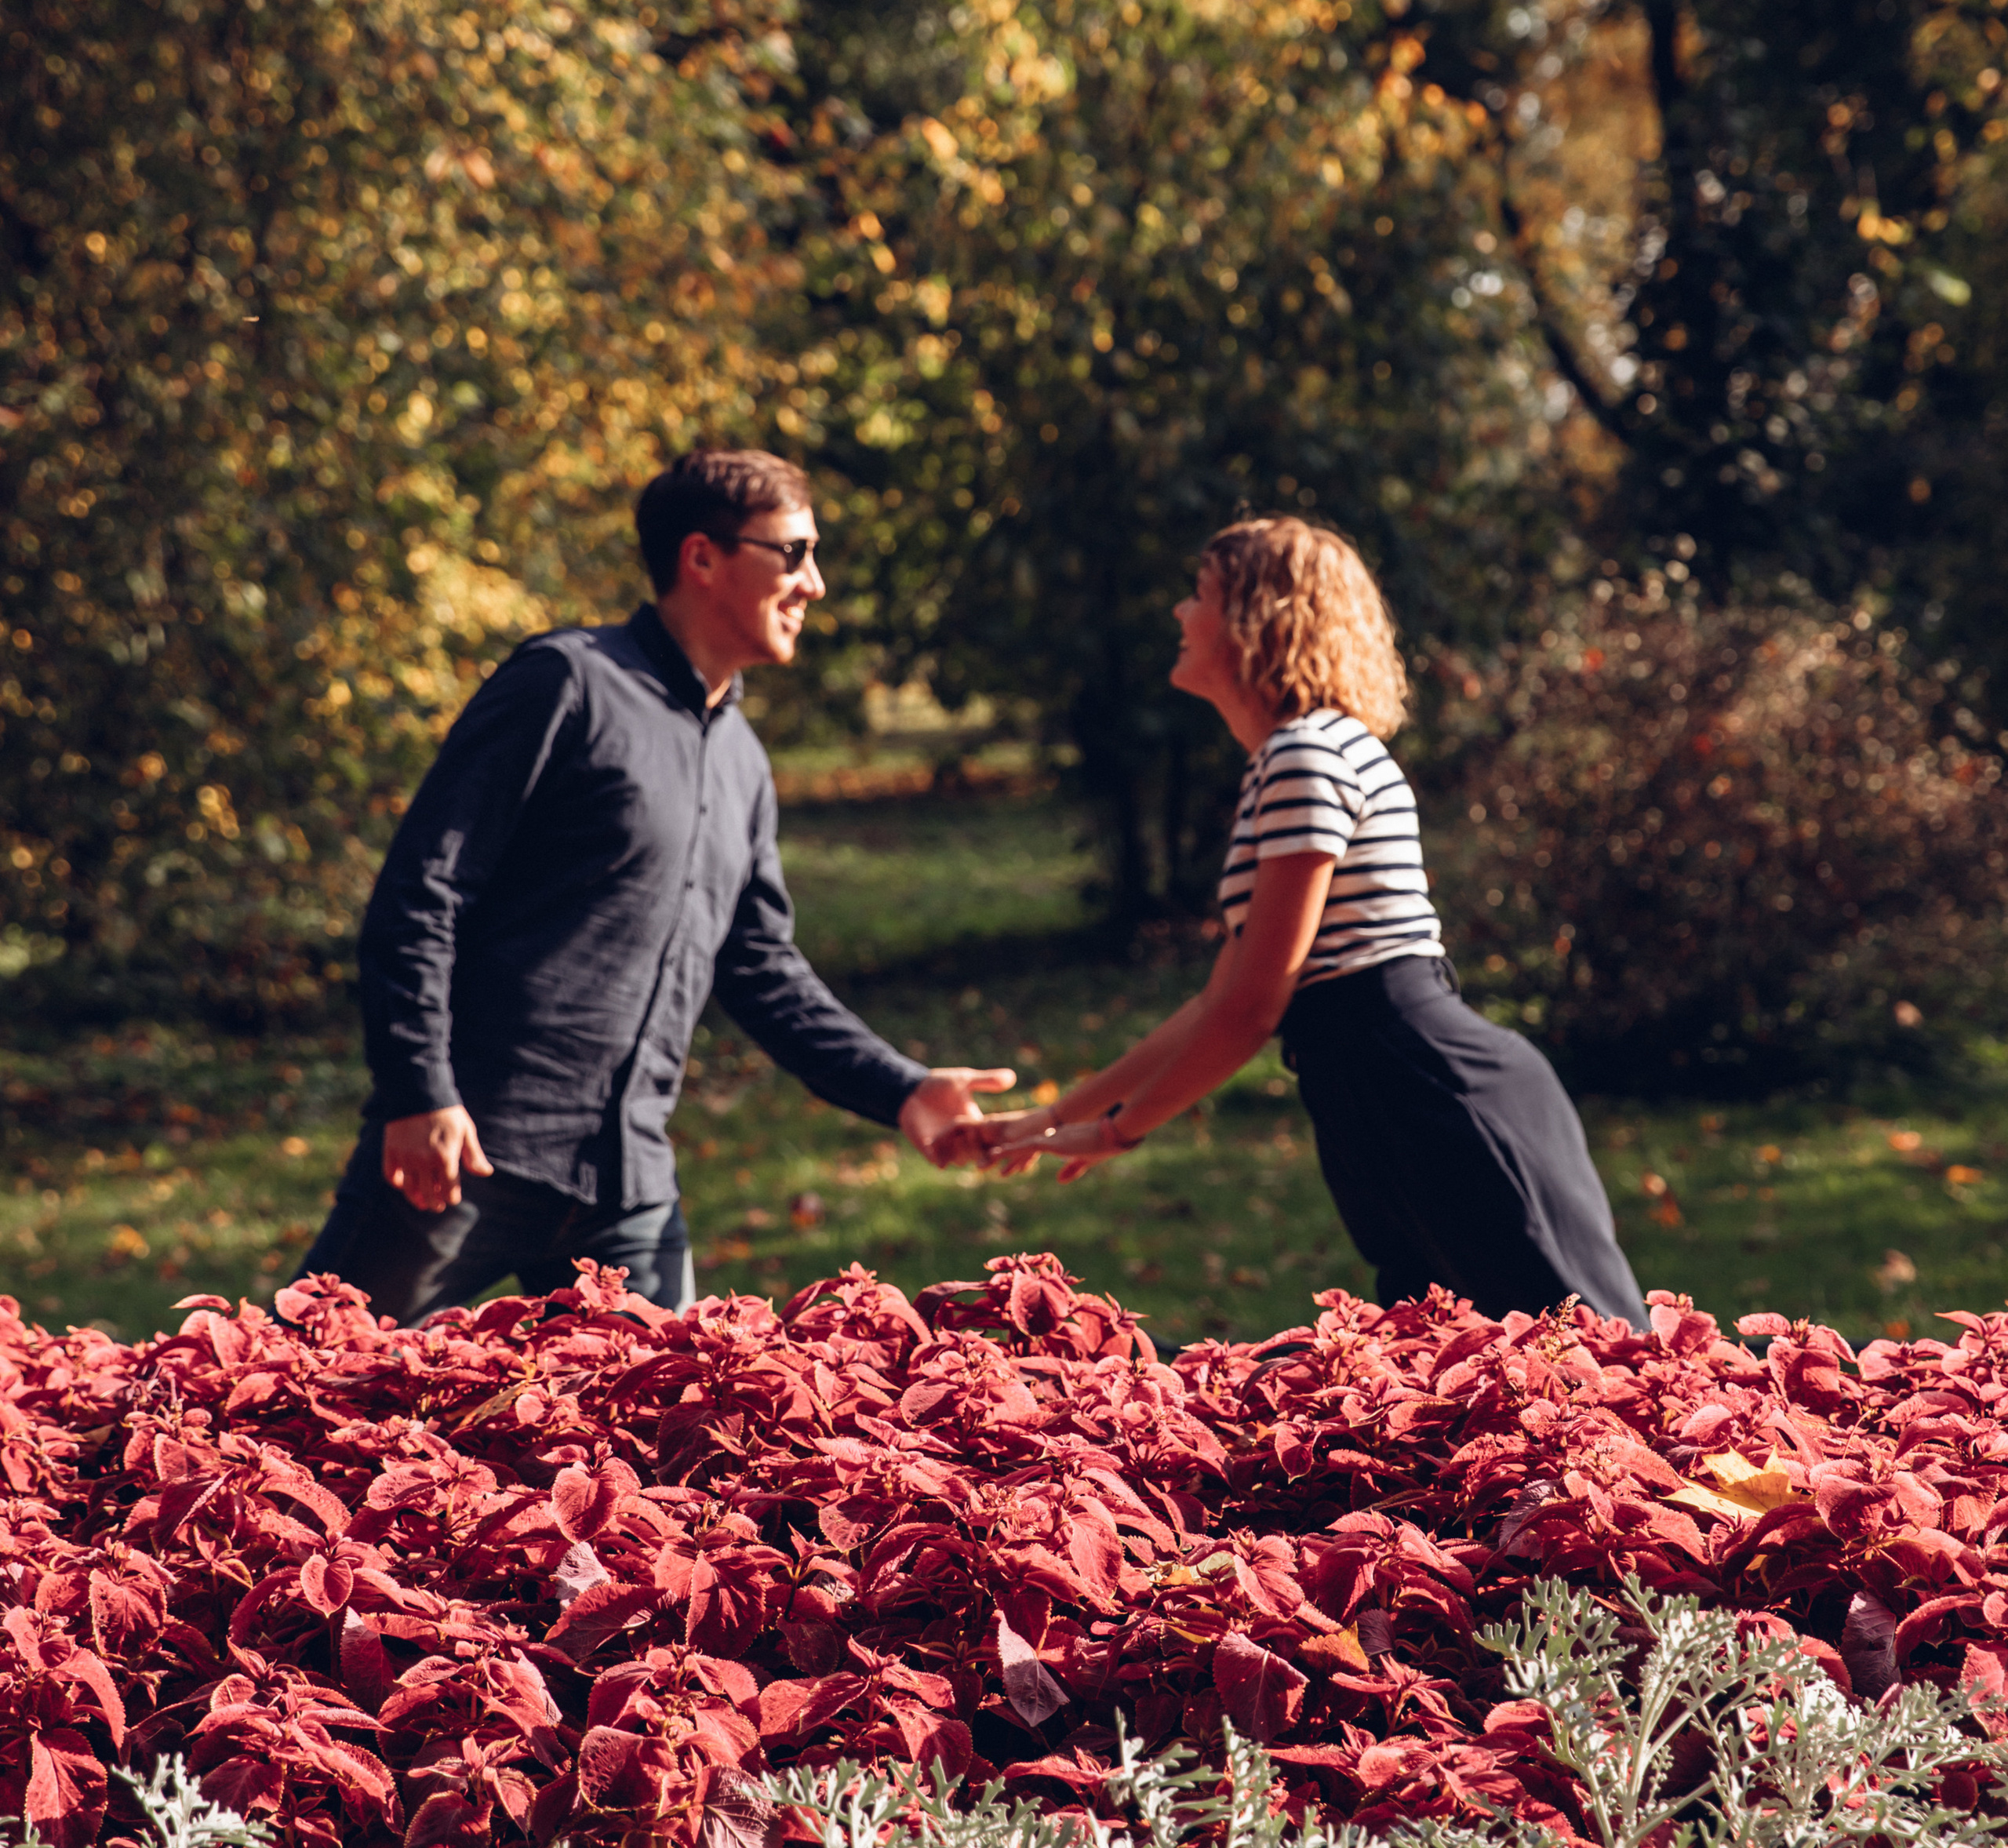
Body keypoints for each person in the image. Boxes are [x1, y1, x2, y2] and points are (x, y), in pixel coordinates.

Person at [294, 448, 1014, 1322]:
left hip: (627, 1188)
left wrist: (899, 1086)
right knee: (295, 1396)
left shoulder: (742, 758)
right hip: (468, 1152)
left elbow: (761, 972)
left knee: (668, 1432)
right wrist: (419, 1092)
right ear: (701, 558)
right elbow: (422, 892)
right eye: (793, 553)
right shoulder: (565, 684)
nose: (814, 584)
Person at [982, 516, 1646, 1330]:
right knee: (1461, 1394)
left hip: (1430, 1092)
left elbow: (1250, 1009)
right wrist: (1059, 1117)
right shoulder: (1296, 758)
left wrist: (1119, 1132)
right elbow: (1216, 1002)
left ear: (1257, 621)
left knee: (1598, 1378)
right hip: (1374, 1096)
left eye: (1199, 596)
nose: (1179, 615)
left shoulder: (1308, 757)